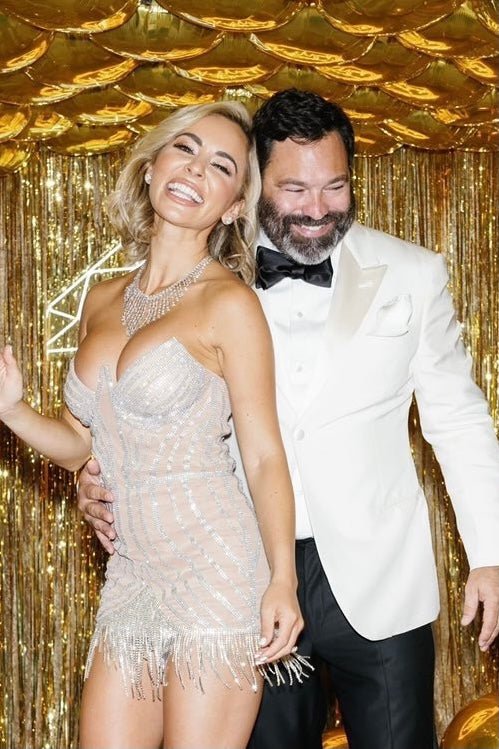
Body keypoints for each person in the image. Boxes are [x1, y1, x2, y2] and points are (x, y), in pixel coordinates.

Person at [77, 89, 499, 749]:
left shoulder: (413, 275)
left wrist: (491, 553)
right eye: (294, 189)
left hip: (380, 580)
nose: (317, 208)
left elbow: (458, 420)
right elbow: (131, 411)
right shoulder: (203, 282)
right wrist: (93, 474)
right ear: (253, 188)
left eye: (335, 187)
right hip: (241, 576)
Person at [0, 100, 308, 749]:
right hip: (131, 573)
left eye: (220, 166)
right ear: (151, 166)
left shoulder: (229, 303)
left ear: (233, 206)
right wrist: (13, 411)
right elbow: (81, 444)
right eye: (185, 149)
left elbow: (263, 457)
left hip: (215, 566)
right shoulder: (100, 299)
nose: (195, 169)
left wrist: (282, 578)